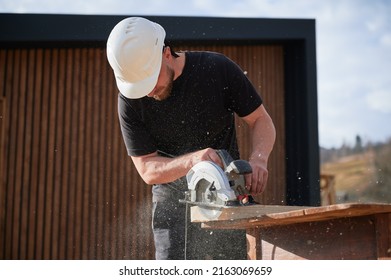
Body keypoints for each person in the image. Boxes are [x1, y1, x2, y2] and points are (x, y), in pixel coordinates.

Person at [106, 17, 276, 260]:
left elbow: (261, 120)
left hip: (225, 197)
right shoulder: (129, 100)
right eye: (140, 86)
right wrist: (193, 160)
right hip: (170, 206)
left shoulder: (217, 68)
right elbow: (147, 169)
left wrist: (258, 160)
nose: (148, 92)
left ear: (166, 53)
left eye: (151, 80)